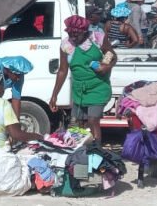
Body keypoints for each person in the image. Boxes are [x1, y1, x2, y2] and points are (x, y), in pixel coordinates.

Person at [49, 15, 117, 143]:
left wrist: (105, 66)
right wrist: (54, 95)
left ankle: (97, 151)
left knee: (93, 120)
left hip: (98, 87)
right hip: (79, 90)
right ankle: (83, 152)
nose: (73, 38)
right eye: (70, 34)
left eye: (76, 35)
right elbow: (63, 70)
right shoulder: (66, 44)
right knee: (79, 124)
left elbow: (111, 54)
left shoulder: (97, 38)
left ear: (84, 32)